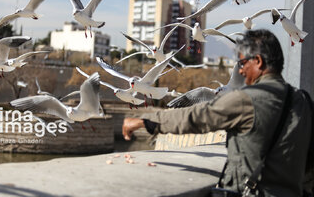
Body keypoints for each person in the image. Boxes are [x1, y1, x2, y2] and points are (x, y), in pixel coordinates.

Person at [122, 29, 313, 197]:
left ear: (259, 62)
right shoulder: (303, 100)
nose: (241, 70)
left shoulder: (246, 100)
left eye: (243, 62)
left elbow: (196, 117)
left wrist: (145, 121)